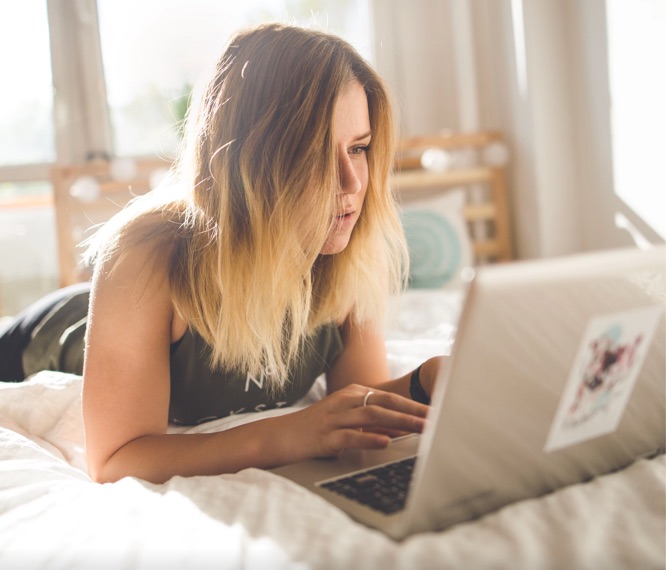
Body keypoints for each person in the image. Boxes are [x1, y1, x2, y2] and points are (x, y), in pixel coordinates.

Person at [0, 23, 443, 484]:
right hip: (40, 340)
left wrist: (425, 380)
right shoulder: (146, 255)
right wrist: (286, 434)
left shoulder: (348, 243)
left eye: (359, 148)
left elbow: (358, 396)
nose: (352, 184)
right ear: (252, 159)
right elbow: (115, 459)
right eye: (315, 156)